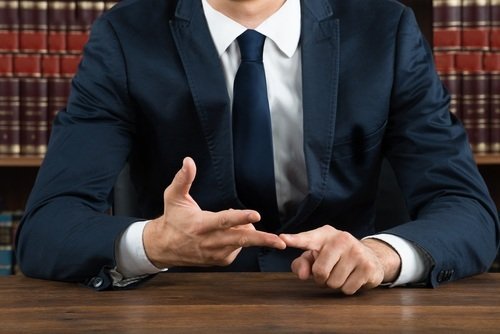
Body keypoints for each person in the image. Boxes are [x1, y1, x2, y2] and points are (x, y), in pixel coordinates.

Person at [17, 0, 499, 294]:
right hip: (182, 307)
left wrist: (382, 255)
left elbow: (467, 210)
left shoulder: (385, 30)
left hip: (346, 304)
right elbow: (45, 228)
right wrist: (154, 242)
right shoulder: (126, 36)